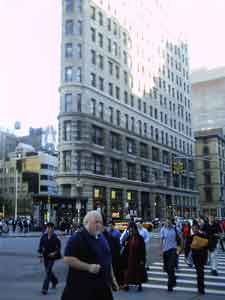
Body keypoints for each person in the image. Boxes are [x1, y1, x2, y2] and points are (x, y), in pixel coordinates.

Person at [61, 211, 118, 300]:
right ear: (86, 222)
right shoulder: (77, 237)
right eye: (96, 222)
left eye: (100, 222)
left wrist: (112, 279)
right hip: (81, 289)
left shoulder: (101, 237)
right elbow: (67, 259)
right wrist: (88, 267)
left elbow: (107, 258)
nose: (99, 225)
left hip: (102, 287)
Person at [38, 222, 61, 295]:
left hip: (52, 257)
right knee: (49, 271)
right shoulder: (43, 237)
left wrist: (54, 253)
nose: (49, 229)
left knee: (48, 271)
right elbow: (40, 247)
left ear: (53, 229)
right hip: (45, 256)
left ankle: (44, 289)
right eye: (47, 228)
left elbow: (58, 249)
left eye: (50, 228)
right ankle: (55, 281)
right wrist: (41, 256)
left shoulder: (56, 238)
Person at [122, 223, 146, 292]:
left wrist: (142, 259)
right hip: (129, 257)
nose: (131, 231)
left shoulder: (140, 238)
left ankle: (139, 285)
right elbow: (124, 245)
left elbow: (142, 250)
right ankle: (126, 285)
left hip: (137, 258)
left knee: (138, 272)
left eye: (132, 229)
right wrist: (125, 243)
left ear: (135, 229)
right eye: (130, 230)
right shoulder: (128, 237)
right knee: (127, 272)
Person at [185, 223, 208, 295]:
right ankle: (201, 288)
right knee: (199, 272)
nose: (194, 230)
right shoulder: (191, 237)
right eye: (193, 229)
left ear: (198, 229)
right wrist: (186, 257)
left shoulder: (203, 236)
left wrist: (206, 257)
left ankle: (201, 289)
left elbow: (207, 246)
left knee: (200, 272)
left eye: (195, 228)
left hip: (201, 256)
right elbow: (187, 248)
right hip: (195, 257)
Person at [160, 217, 179, 292]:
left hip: (173, 250)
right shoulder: (163, 229)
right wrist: (161, 250)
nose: (167, 224)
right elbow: (161, 240)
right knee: (167, 268)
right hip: (165, 251)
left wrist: (180, 249)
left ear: (172, 222)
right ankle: (173, 277)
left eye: (169, 222)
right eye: (166, 222)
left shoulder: (175, 229)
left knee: (171, 267)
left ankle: (169, 285)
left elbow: (180, 239)